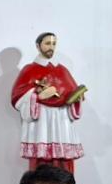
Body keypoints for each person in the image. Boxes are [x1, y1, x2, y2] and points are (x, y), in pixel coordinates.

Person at [10, 32, 85, 172]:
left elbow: (71, 93)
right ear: (38, 46)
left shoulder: (62, 70)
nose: (51, 47)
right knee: (42, 167)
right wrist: (38, 96)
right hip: (41, 124)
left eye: (54, 43)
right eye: (47, 43)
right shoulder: (29, 70)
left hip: (62, 123)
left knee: (64, 167)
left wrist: (76, 98)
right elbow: (18, 97)